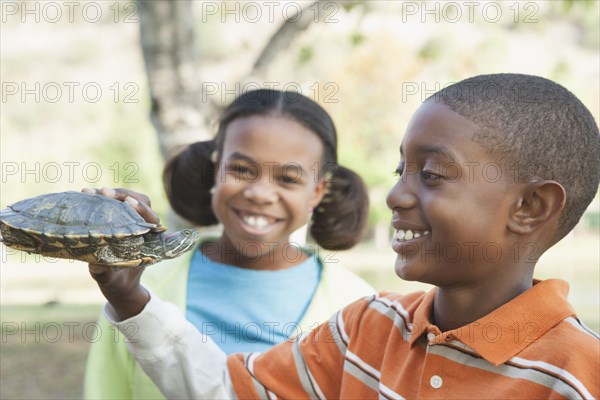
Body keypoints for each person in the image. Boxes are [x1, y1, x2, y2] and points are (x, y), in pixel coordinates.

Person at [89, 74, 600, 399]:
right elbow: (227, 388)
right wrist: (131, 295)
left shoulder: (576, 374)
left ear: (530, 208)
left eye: (432, 174)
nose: (396, 195)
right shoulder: (368, 328)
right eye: (402, 169)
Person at [83, 89, 375, 399]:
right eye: (241, 170)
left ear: (316, 192)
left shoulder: (357, 307)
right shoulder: (141, 287)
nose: (260, 194)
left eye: (288, 179)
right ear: (216, 169)